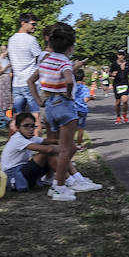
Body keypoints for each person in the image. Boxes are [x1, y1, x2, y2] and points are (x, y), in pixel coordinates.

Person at [28, 23, 84, 201]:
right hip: (64, 105)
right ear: (69, 46)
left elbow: (31, 80)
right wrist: (68, 93)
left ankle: (54, 180)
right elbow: (68, 80)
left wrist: (38, 100)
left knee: (56, 145)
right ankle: (59, 187)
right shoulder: (64, 61)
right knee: (66, 149)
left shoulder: (45, 59)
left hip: (49, 105)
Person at [1, 111, 100, 193]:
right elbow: (48, 149)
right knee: (48, 152)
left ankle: (78, 179)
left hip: (22, 171)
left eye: (33, 126)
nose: (31, 129)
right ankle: (72, 181)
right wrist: (66, 147)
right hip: (14, 177)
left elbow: (50, 141)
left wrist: (68, 143)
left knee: (53, 150)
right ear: (18, 128)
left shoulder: (29, 137)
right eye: (26, 126)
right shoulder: (17, 139)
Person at [7, 13, 42, 120]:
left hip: (17, 83)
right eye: (33, 24)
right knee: (35, 114)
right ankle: (35, 136)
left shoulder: (11, 39)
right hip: (30, 82)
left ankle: (13, 136)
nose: (35, 27)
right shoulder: (31, 40)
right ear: (23, 23)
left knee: (17, 116)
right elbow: (41, 58)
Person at [109, 51, 129, 124]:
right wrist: (112, 74)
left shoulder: (127, 64)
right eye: (120, 55)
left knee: (125, 100)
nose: (121, 56)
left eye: (122, 55)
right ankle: (118, 116)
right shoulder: (114, 64)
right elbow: (110, 74)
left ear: (124, 56)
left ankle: (124, 115)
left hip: (125, 83)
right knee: (118, 102)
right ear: (117, 55)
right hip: (117, 84)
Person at [72, 63, 91, 149]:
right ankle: (79, 144)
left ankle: (71, 144)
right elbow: (86, 99)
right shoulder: (85, 88)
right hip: (82, 109)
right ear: (83, 78)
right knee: (80, 128)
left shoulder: (72, 87)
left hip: (73, 109)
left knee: (71, 128)